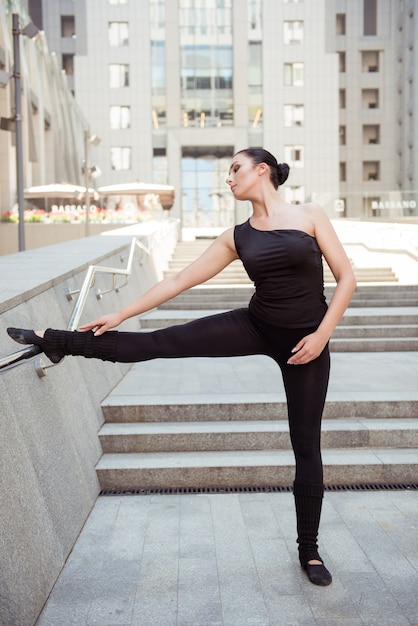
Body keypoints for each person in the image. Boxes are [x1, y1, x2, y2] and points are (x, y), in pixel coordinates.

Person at [7, 148, 356, 586]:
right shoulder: (238, 236)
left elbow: (347, 277)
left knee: (306, 445)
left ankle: (310, 551)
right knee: (160, 341)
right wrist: (120, 312)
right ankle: (56, 341)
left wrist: (322, 334)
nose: (228, 179)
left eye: (235, 169)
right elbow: (178, 280)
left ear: (261, 170)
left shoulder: (311, 215)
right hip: (255, 324)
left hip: (308, 341)